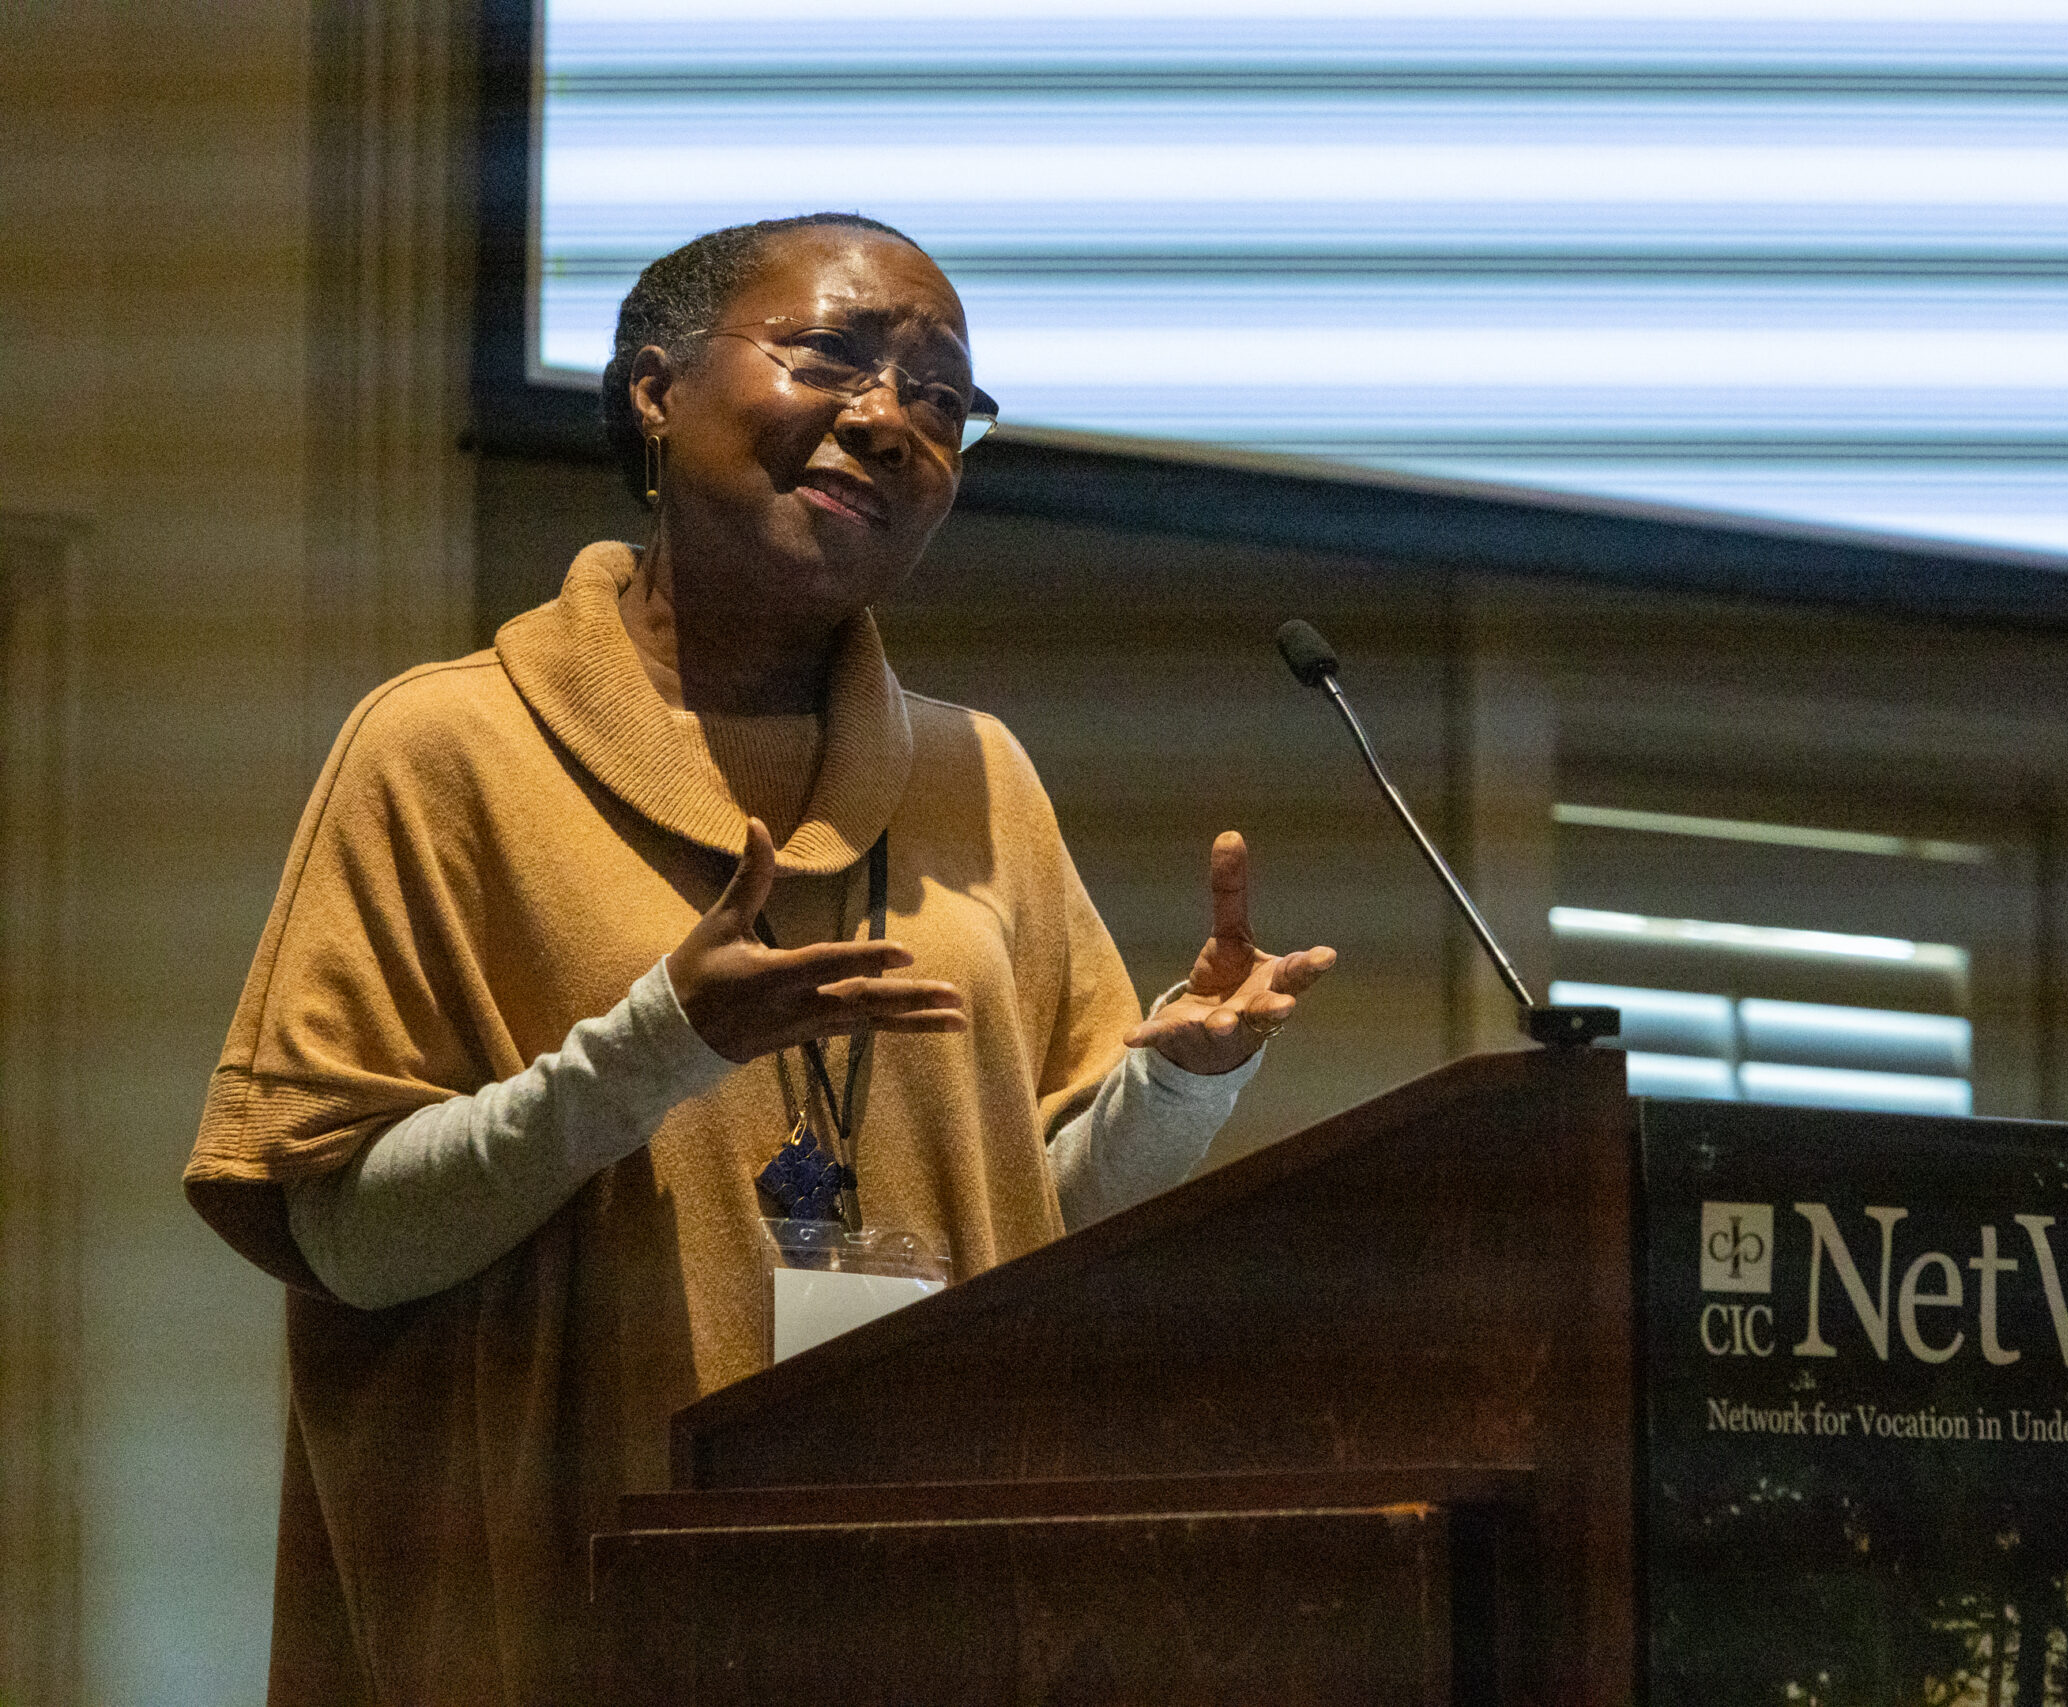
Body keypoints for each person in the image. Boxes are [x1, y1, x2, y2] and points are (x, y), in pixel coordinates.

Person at [183, 211, 1334, 1705]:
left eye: (940, 397)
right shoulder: (444, 746)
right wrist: (657, 1047)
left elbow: (1014, 1230)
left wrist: (1177, 1092)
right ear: (655, 390)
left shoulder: (978, 777)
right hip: (571, 1622)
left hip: (927, 1622)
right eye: (836, 357)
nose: (891, 420)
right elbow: (345, 1239)